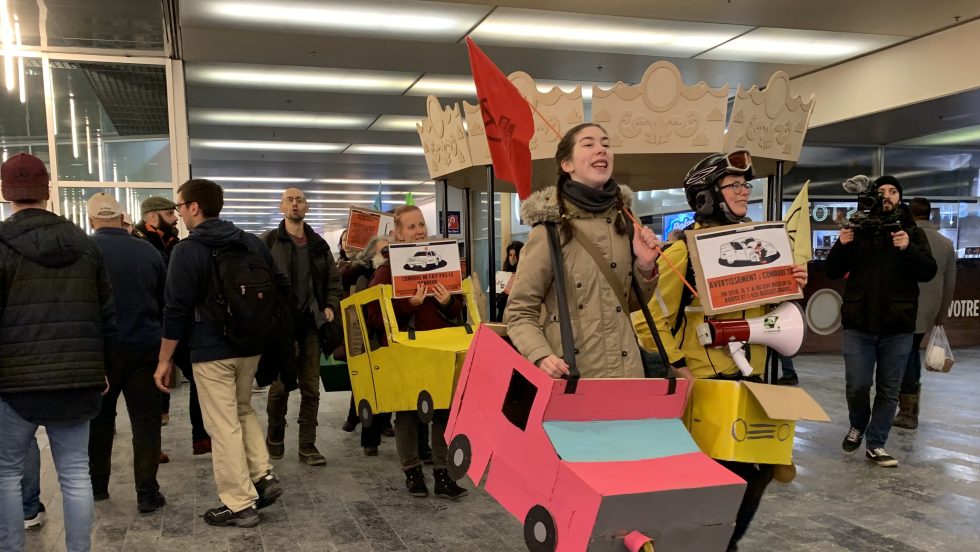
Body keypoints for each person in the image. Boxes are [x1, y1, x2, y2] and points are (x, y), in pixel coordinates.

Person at [633, 150, 809, 552]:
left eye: (745, 185)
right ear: (706, 197)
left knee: (760, 470)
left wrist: (792, 282)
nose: (744, 192)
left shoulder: (760, 246)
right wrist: (677, 365)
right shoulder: (682, 253)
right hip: (709, 389)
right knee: (725, 478)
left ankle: (719, 543)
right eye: (734, 186)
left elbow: (773, 311)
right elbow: (645, 317)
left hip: (755, 383)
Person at [153, 178, 286, 528]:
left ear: (195, 207)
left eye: (180, 207)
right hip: (250, 345)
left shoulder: (187, 250)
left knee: (222, 426)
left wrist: (165, 359)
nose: (179, 214)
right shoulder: (251, 243)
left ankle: (239, 503)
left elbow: (176, 309)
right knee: (243, 410)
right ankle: (263, 476)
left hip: (211, 349)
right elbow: (277, 289)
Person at [0, 153, 115, 552]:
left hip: (14, 384)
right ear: (48, 191)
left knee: (6, 476)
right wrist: (100, 365)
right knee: (75, 473)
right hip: (78, 378)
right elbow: (106, 314)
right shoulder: (85, 244)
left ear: (5, 192)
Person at [505, 123, 661, 380]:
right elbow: (520, 311)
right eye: (589, 144)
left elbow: (628, 304)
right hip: (572, 375)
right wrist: (540, 354)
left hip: (628, 373)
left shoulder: (627, 223)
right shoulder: (549, 231)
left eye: (606, 144)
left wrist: (645, 266)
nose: (601, 150)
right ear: (567, 165)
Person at [826, 176, 936, 467]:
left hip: (897, 326)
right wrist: (841, 245)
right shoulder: (858, 230)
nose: (887, 196)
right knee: (857, 384)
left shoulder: (911, 231)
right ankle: (858, 423)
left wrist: (908, 247)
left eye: (893, 191)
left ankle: (876, 443)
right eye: (882, 191)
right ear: (872, 196)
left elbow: (928, 271)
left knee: (889, 389)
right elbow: (833, 271)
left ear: (901, 197)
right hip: (858, 323)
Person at [365, 205, 468, 500]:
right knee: (408, 413)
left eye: (421, 224)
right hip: (406, 351)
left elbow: (457, 309)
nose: (419, 231)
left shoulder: (443, 262)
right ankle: (412, 473)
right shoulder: (386, 270)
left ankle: (443, 474)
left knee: (445, 410)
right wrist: (406, 305)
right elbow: (372, 314)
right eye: (411, 227)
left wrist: (449, 301)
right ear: (397, 233)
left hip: (440, 348)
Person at [85, 193, 168, 513]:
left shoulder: (86, 252)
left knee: (100, 421)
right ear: (122, 218)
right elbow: (165, 303)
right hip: (145, 349)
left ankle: (98, 485)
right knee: (146, 422)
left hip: (101, 353)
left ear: (92, 221)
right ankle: (147, 492)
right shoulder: (148, 251)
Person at [263, 188, 342, 466]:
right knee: (280, 388)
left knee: (311, 388)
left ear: (306, 207)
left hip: (310, 325)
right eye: (290, 200)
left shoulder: (319, 245)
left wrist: (330, 305)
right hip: (281, 328)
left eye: (300, 200)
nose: (295, 204)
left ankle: (307, 445)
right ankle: (274, 436)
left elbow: (334, 282)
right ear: (281, 206)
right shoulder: (269, 242)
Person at [134, 195, 211, 456]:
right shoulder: (139, 245)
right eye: (169, 214)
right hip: (151, 326)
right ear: (152, 217)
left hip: (179, 324)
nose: (175, 217)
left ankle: (201, 438)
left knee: (198, 378)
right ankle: (153, 447)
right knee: (152, 388)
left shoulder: (173, 243)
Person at [894, 197, 956, 430]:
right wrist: (941, 316)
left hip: (903, 305)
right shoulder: (946, 243)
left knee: (905, 357)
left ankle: (908, 410)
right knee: (910, 353)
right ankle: (908, 408)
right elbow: (950, 284)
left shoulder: (901, 236)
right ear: (931, 214)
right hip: (929, 309)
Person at [339, 235, 395, 455]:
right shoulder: (360, 273)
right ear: (372, 254)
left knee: (385, 387)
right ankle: (369, 438)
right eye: (383, 252)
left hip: (386, 338)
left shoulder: (389, 273)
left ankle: (380, 424)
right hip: (367, 339)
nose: (387, 256)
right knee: (368, 389)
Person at [495, 240, 523, 321]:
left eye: (515, 255)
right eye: (510, 255)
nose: (512, 258)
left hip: (518, 315)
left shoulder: (525, 273)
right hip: (503, 314)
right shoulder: (504, 273)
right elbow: (498, 301)